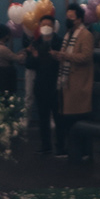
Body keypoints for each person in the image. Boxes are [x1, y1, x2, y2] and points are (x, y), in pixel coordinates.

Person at [54, 5, 95, 158]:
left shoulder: (86, 35)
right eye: (67, 17)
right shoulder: (68, 34)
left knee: (80, 117)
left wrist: (65, 56)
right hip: (67, 83)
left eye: (71, 17)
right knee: (68, 118)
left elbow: (86, 57)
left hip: (79, 83)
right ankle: (73, 150)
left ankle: (84, 152)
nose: (68, 20)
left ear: (79, 19)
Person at [25, 12, 61, 153]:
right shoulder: (36, 43)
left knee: (59, 117)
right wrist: (34, 57)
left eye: (48, 25)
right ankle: (45, 146)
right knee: (43, 118)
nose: (46, 27)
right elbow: (28, 64)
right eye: (43, 25)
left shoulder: (59, 42)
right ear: (39, 27)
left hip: (57, 84)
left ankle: (61, 146)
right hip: (41, 84)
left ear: (53, 27)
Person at [0, 23, 22, 96]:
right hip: (6, 76)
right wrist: (26, 52)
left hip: (3, 74)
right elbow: (16, 58)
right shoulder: (2, 48)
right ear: (5, 35)